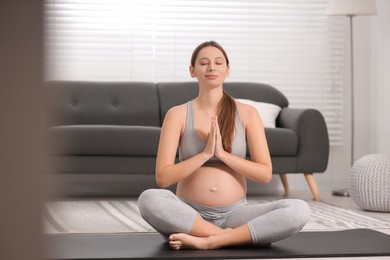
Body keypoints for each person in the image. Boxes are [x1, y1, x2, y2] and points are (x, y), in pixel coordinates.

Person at [138, 41, 310, 250]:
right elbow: (163, 178)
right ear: (192, 71)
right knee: (149, 199)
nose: (212, 68)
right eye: (204, 63)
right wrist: (205, 154)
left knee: (299, 209)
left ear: (227, 70)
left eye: (218, 63)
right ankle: (231, 238)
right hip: (188, 214)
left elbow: (265, 174)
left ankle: (210, 241)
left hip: (235, 215)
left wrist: (222, 154)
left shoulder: (247, 113)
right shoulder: (178, 114)